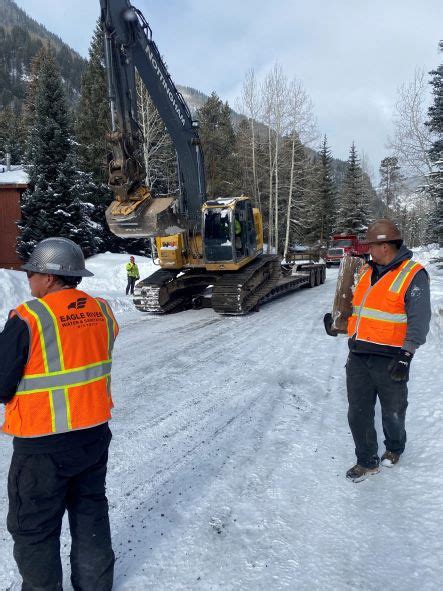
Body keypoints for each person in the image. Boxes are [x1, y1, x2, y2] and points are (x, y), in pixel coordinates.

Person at [0, 237, 119, 590]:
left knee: (34, 528)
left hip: (42, 446)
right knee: (90, 513)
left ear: (50, 277)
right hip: (93, 435)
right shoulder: (102, 310)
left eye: (32, 273)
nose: (28, 279)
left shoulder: (29, 317)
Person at [324, 219, 431, 483]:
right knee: (357, 411)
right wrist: (338, 325)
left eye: (372, 245)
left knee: (393, 410)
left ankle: (394, 448)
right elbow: (360, 312)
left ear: (385, 246)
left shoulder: (412, 274)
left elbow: (420, 320)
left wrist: (406, 356)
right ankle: (366, 461)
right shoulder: (364, 271)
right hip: (359, 354)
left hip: (392, 356)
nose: (368, 249)